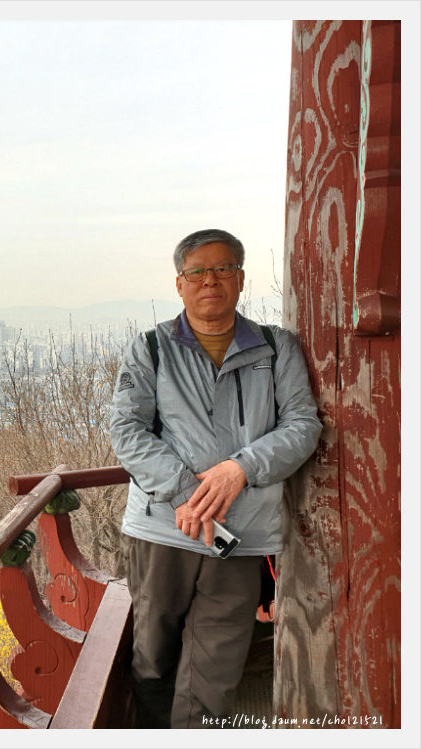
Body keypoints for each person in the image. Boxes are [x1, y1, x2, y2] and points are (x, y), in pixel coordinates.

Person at [109, 229, 322, 728]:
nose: (211, 280)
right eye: (197, 272)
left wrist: (239, 469)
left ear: (241, 279)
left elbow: (303, 424)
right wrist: (189, 494)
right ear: (179, 284)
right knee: (152, 655)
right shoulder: (151, 348)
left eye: (223, 269)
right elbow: (126, 429)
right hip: (165, 528)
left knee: (217, 670)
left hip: (242, 536)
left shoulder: (276, 347)